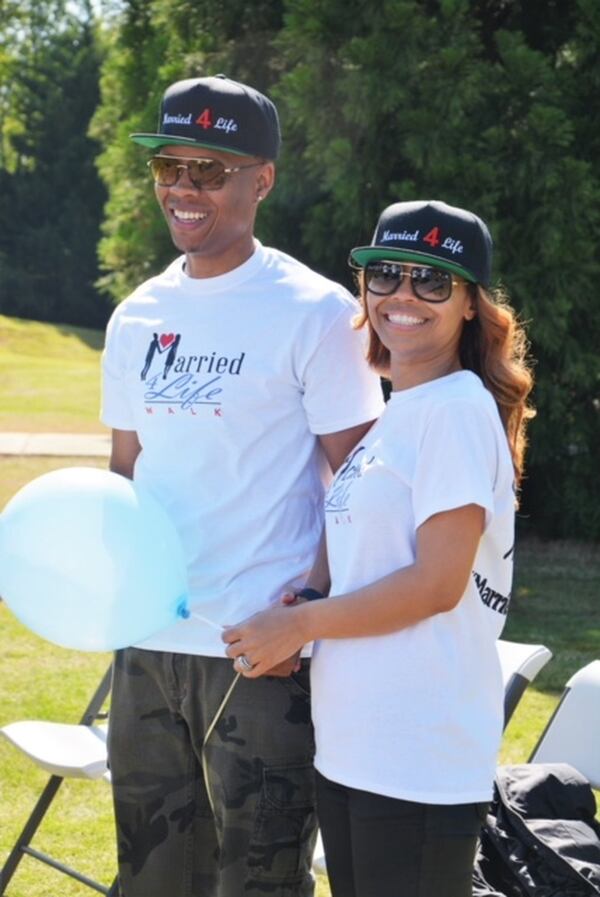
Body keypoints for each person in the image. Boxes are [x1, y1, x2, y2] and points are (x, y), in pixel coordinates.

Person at [100, 74, 384, 897]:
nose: (184, 190)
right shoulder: (136, 315)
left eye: (211, 171)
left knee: (259, 883)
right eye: (169, 168)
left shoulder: (317, 311)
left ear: (261, 179)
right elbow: (126, 473)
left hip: (258, 656)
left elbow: (363, 478)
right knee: (151, 879)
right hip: (149, 647)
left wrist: (308, 610)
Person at [223, 200, 535, 897]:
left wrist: (299, 625)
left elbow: (435, 583)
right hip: (356, 744)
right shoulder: (401, 413)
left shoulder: (455, 408)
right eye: (386, 274)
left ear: (469, 305)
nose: (403, 294)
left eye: (432, 280)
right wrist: (304, 604)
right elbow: (363, 559)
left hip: (418, 753)